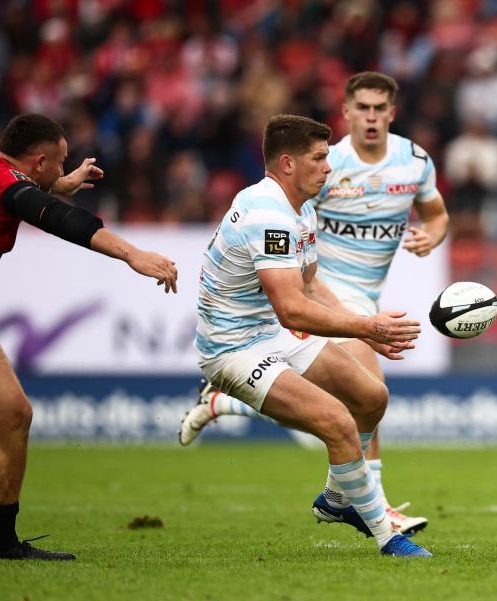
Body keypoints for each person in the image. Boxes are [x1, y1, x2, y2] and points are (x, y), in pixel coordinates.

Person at [180, 72, 448, 536]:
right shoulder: (316, 173)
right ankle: (375, 508)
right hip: (316, 297)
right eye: (361, 107)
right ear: (345, 111)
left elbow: (438, 215)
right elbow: (292, 298)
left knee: (366, 399)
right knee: (356, 397)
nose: (370, 116)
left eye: (378, 108)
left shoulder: (414, 161)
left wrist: (432, 237)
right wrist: (366, 328)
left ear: (391, 113)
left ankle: (228, 405)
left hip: (339, 289)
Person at [0, 113, 179, 560]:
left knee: (10, 415)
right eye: (61, 164)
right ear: (40, 160)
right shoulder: (2, 184)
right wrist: (131, 253)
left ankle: (3, 546)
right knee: (11, 416)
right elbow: (55, 218)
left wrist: (59, 185)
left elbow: (28, 194)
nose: (63, 171)